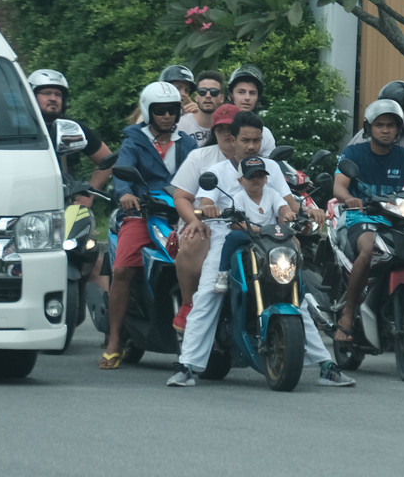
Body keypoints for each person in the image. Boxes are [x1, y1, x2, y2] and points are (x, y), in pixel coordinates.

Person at [167, 111, 352, 387]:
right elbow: (204, 201)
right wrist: (207, 208)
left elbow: (287, 203)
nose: (252, 145)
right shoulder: (217, 171)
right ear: (233, 139)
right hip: (227, 237)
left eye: (256, 140)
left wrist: (307, 213)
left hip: (270, 240)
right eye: (246, 140)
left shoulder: (271, 168)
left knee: (294, 294)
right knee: (209, 292)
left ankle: (326, 366)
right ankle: (188, 366)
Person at [99, 81, 198, 369]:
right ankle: (115, 340)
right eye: (160, 110)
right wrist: (126, 193)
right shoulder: (134, 140)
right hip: (142, 214)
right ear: (148, 111)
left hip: (180, 215)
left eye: (172, 110)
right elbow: (122, 173)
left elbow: (199, 175)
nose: (167, 115)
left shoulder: (188, 143)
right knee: (122, 270)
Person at [332, 99, 404, 345]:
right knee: (367, 248)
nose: (385, 130)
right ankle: (348, 313)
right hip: (359, 219)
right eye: (380, 125)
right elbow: (339, 186)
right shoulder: (353, 153)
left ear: (398, 129)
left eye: (391, 125)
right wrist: (350, 198)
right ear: (368, 128)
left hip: (395, 223)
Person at [170, 103, 240, 332]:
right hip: (205, 223)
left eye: (232, 128)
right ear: (214, 132)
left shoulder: (255, 159)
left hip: (244, 226)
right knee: (193, 239)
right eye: (221, 129)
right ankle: (189, 304)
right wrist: (194, 221)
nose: (227, 134)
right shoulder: (199, 157)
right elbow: (181, 197)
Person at [205, 156, 292, 292]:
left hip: (272, 236)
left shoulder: (272, 193)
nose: (256, 180)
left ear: (266, 179)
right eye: (251, 177)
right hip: (250, 235)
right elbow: (235, 223)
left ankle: (296, 276)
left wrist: (287, 213)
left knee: (293, 242)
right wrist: (256, 230)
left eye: (260, 175)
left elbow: (282, 206)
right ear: (241, 181)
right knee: (232, 237)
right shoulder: (238, 198)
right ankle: (223, 273)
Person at [29, 69, 113, 207]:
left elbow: (108, 161)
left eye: (58, 94)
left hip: (64, 203)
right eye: (46, 93)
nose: (53, 98)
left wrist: (89, 194)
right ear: (31, 96)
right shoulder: (18, 127)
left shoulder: (72, 127)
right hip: (23, 199)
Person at [226, 64, 275, 157]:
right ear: (230, 96)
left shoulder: (265, 134)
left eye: (252, 93)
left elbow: (271, 167)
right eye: (241, 92)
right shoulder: (220, 128)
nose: (247, 98)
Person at [176, 70, 225, 145]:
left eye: (214, 92)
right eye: (202, 91)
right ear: (196, 97)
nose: (208, 96)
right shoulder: (180, 125)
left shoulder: (227, 126)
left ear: (222, 98)